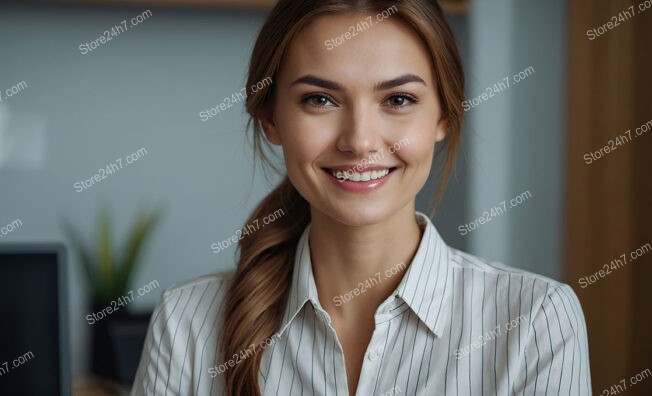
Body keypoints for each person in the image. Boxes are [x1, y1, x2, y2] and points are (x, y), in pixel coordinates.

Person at [132, 0, 591, 395]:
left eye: (398, 100)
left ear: (443, 116)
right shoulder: (187, 322)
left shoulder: (536, 320)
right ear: (271, 119)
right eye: (320, 100)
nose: (359, 141)